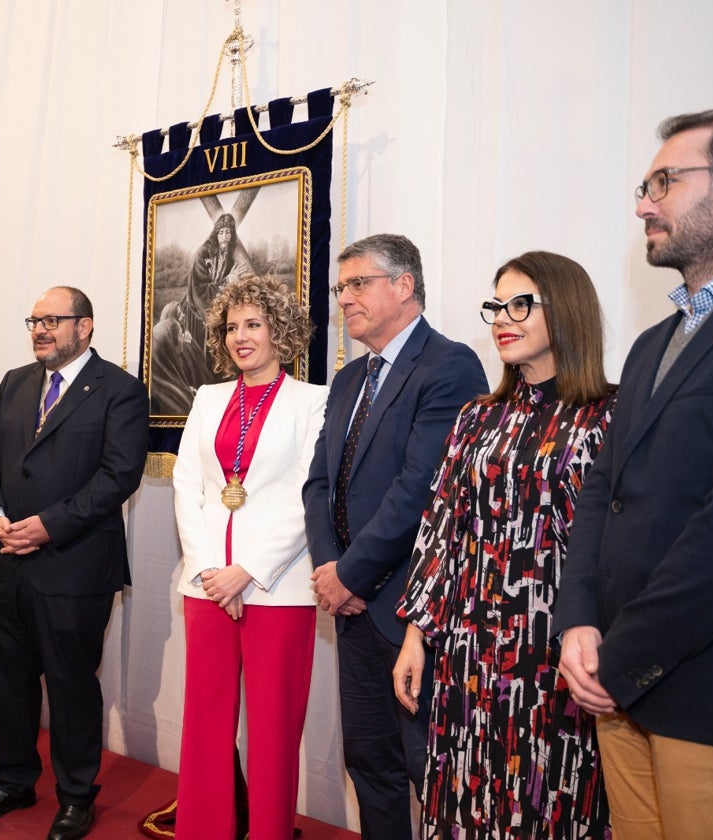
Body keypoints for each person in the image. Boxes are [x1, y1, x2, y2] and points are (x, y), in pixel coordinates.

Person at [555, 109, 713, 839]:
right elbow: (604, 492)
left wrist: (618, 657)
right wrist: (577, 621)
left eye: (665, 181)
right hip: (620, 685)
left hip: (709, 691)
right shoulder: (651, 344)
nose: (643, 203)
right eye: (645, 184)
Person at [392, 251, 615, 838]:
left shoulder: (607, 416)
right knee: (467, 798)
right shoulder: (476, 418)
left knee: (553, 801)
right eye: (496, 306)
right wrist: (417, 636)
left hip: (558, 655)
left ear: (566, 311)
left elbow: (619, 545)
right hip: (470, 653)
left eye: (521, 304)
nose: (502, 318)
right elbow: (443, 528)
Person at [302, 234, 487, 839]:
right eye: (341, 287)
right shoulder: (351, 377)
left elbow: (422, 488)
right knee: (370, 765)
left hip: (414, 610)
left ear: (404, 285)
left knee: (428, 769)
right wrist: (333, 575)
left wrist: (348, 574)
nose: (345, 299)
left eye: (358, 284)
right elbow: (319, 485)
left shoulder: (450, 365)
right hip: (353, 611)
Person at [0, 286, 149, 840]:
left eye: (53, 320)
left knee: (70, 686)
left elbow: (118, 476)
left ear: (85, 326)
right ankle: (14, 781)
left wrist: (48, 526)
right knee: (8, 680)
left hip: (74, 565)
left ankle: (75, 796)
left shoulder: (119, 389)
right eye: (34, 320)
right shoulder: (17, 382)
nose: (40, 329)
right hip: (5, 558)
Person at [172, 276, 326, 840]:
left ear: (278, 331)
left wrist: (248, 571)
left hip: (276, 589)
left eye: (253, 324)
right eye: (232, 326)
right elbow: (188, 487)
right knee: (206, 726)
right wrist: (212, 570)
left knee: (273, 732)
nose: (241, 336)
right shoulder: (207, 398)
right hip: (207, 587)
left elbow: (308, 495)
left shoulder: (314, 400)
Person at [151, 213, 252, 416]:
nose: (225, 236)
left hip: (217, 308)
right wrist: (227, 282)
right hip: (197, 311)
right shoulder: (203, 253)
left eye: (229, 232)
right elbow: (199, 288)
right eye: (222, 232)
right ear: (216, 234)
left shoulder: (230, 253)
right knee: (200, 356)